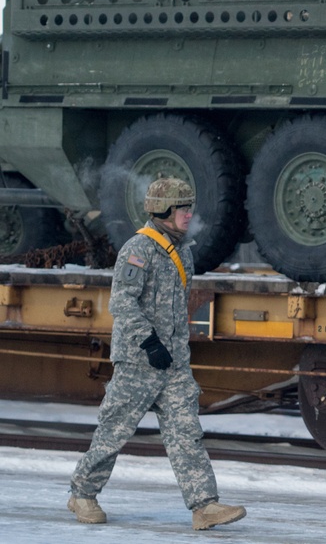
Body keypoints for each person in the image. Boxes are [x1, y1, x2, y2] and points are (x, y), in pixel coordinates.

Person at [68, 177, 246, 531]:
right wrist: (149, 342)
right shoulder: (139, 249)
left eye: (189, 206)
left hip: (174, 363)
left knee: (186, 433)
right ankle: (82, 494)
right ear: (164, 210)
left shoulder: (182, 250)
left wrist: (174, 349)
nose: (189, 213)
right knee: (114, 431)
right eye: (183, 207)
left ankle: (204, 506)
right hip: (138, 360)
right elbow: (122, 301)